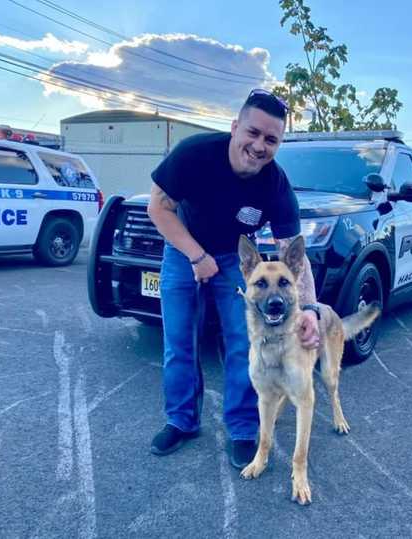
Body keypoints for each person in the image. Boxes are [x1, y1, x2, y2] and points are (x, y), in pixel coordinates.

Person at [146, 89, 321, 469]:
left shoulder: (275, 184)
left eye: (271, 139)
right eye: (253, 133)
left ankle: (244, 429)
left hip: (233, 258)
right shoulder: (195, 154)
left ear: (279, 143)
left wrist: (308, 309)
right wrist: (196, 255)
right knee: (179, 340)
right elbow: (157, 208)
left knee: (244, 342)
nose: (259, 146)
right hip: (183, 249)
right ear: (234, 127)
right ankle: (181, 421)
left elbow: (294, 254)